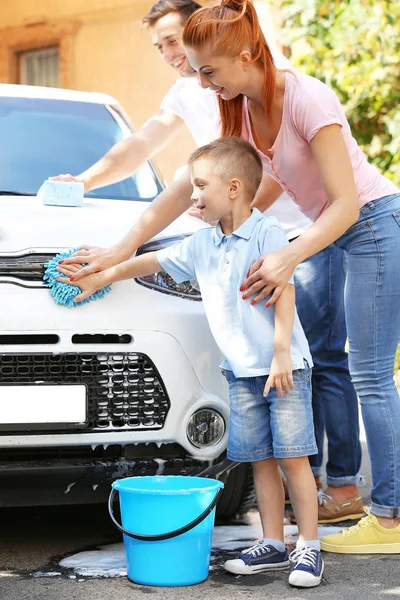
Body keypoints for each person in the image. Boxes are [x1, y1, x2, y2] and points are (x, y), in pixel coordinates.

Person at [53, 0, 363, 521]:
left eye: (178, 42)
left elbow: (285, 184)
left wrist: (249, 234)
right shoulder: (202, 91)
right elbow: (158, 163)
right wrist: (116, 248)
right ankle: (296, 487)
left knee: (318, 358)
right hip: (246, 232)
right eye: (164, 48)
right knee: (270, 376)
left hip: (302, 232)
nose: (176, 59)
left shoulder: (266, 84)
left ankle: (343, 484)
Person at [181, 0, 400, 553]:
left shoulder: (308, 98)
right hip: (336, 231)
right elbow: (269, 184)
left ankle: (392, 520)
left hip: (371, 224)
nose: (203, 83)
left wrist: (287, 256)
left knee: (369, 373)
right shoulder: (249, 110)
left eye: (209, 70)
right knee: (353, 364)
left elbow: (347, 203)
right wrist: (220, 221)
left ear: (246, 54)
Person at [57, 137, 325, 587]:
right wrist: (98, 276)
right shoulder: (202, 243)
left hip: (284, 367)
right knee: (258, 459)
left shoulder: (267, 232)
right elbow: (149, 263)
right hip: (240, 373)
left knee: (293, 458)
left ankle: (309, 549)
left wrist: (281, 351)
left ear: (234, 188)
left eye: (200, 186)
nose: (193, 196)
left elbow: (284, 291)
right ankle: (274, 544)